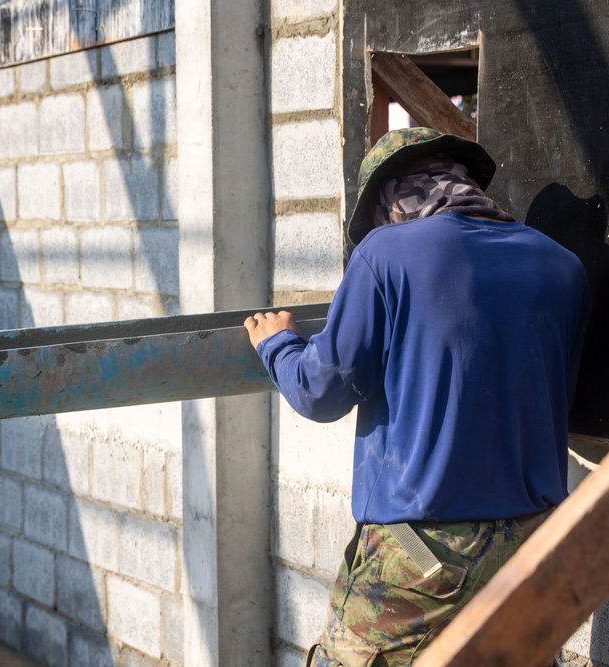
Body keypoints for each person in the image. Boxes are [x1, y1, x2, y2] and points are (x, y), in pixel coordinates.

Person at [244, 127, 590, 666]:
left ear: (389, 200)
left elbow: (320, 390)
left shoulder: (385, 255)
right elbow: (556, 403)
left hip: (421, 550)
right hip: (534, 544)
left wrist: (277, 346)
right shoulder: (563, 267)